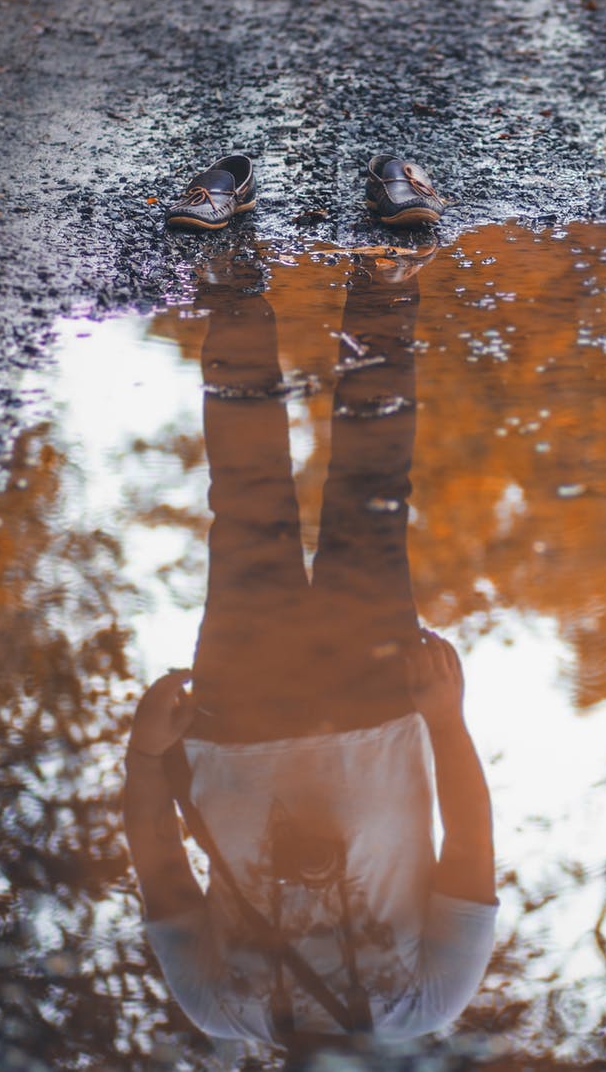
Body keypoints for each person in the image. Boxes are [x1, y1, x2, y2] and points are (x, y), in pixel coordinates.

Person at [120, 253, 495, 1052]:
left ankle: (232, 295)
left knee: (247, 498)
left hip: (236, 711)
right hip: (381, 702)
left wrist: (145, 755)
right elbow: (468, 844)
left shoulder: (219, 1009)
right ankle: (384, 291)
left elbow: (158, 866)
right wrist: (447, 723)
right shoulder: (433, 1000)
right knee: (371, 496)